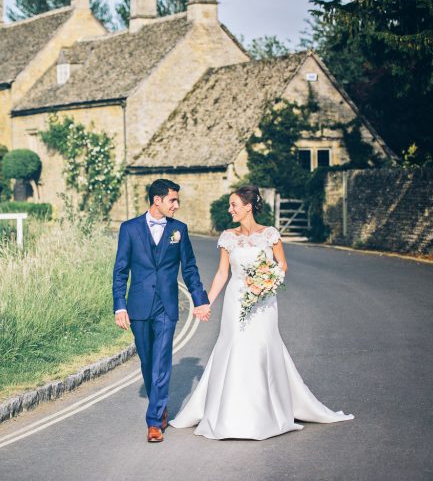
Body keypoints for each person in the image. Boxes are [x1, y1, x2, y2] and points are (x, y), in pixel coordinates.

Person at [169, 185, 354, 439]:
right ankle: (230, 414)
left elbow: (282, 265)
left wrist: (266, 283)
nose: (229, 209)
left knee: (260, 348)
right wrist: (206, 302)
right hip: (236, 301)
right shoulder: (228, 237)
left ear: (248, 207)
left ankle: (265, 412)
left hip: (263, 301)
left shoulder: (269, 234)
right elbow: (223, 273)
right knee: (234, 346)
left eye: (233, 205)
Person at [112, 178, 211, 443]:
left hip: (167, 306)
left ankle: (154, 422)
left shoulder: (180, 230)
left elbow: (189, 268)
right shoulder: (129, 229)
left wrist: (200, 299)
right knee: (147, 361)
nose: (177, 206)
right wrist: (119, 305)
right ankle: (160, 404)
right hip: (139, 305)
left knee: (162, 361)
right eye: (173, 200)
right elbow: (120, 270)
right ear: (157, 200)